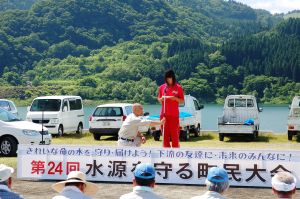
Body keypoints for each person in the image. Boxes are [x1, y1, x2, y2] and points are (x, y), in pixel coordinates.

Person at [157, 69, 184, 148]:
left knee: (175, 135)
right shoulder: (162, 87)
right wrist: (161, 99)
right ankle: (166, 155)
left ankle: (176, 154)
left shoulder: (178, 87)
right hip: (164, 115)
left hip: (174, 115)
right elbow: (159, 99)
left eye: (170, 78)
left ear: (173, 78)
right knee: (165, 136)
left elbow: (182, 101)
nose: (169, 80)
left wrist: (174, 98)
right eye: (167, 78)